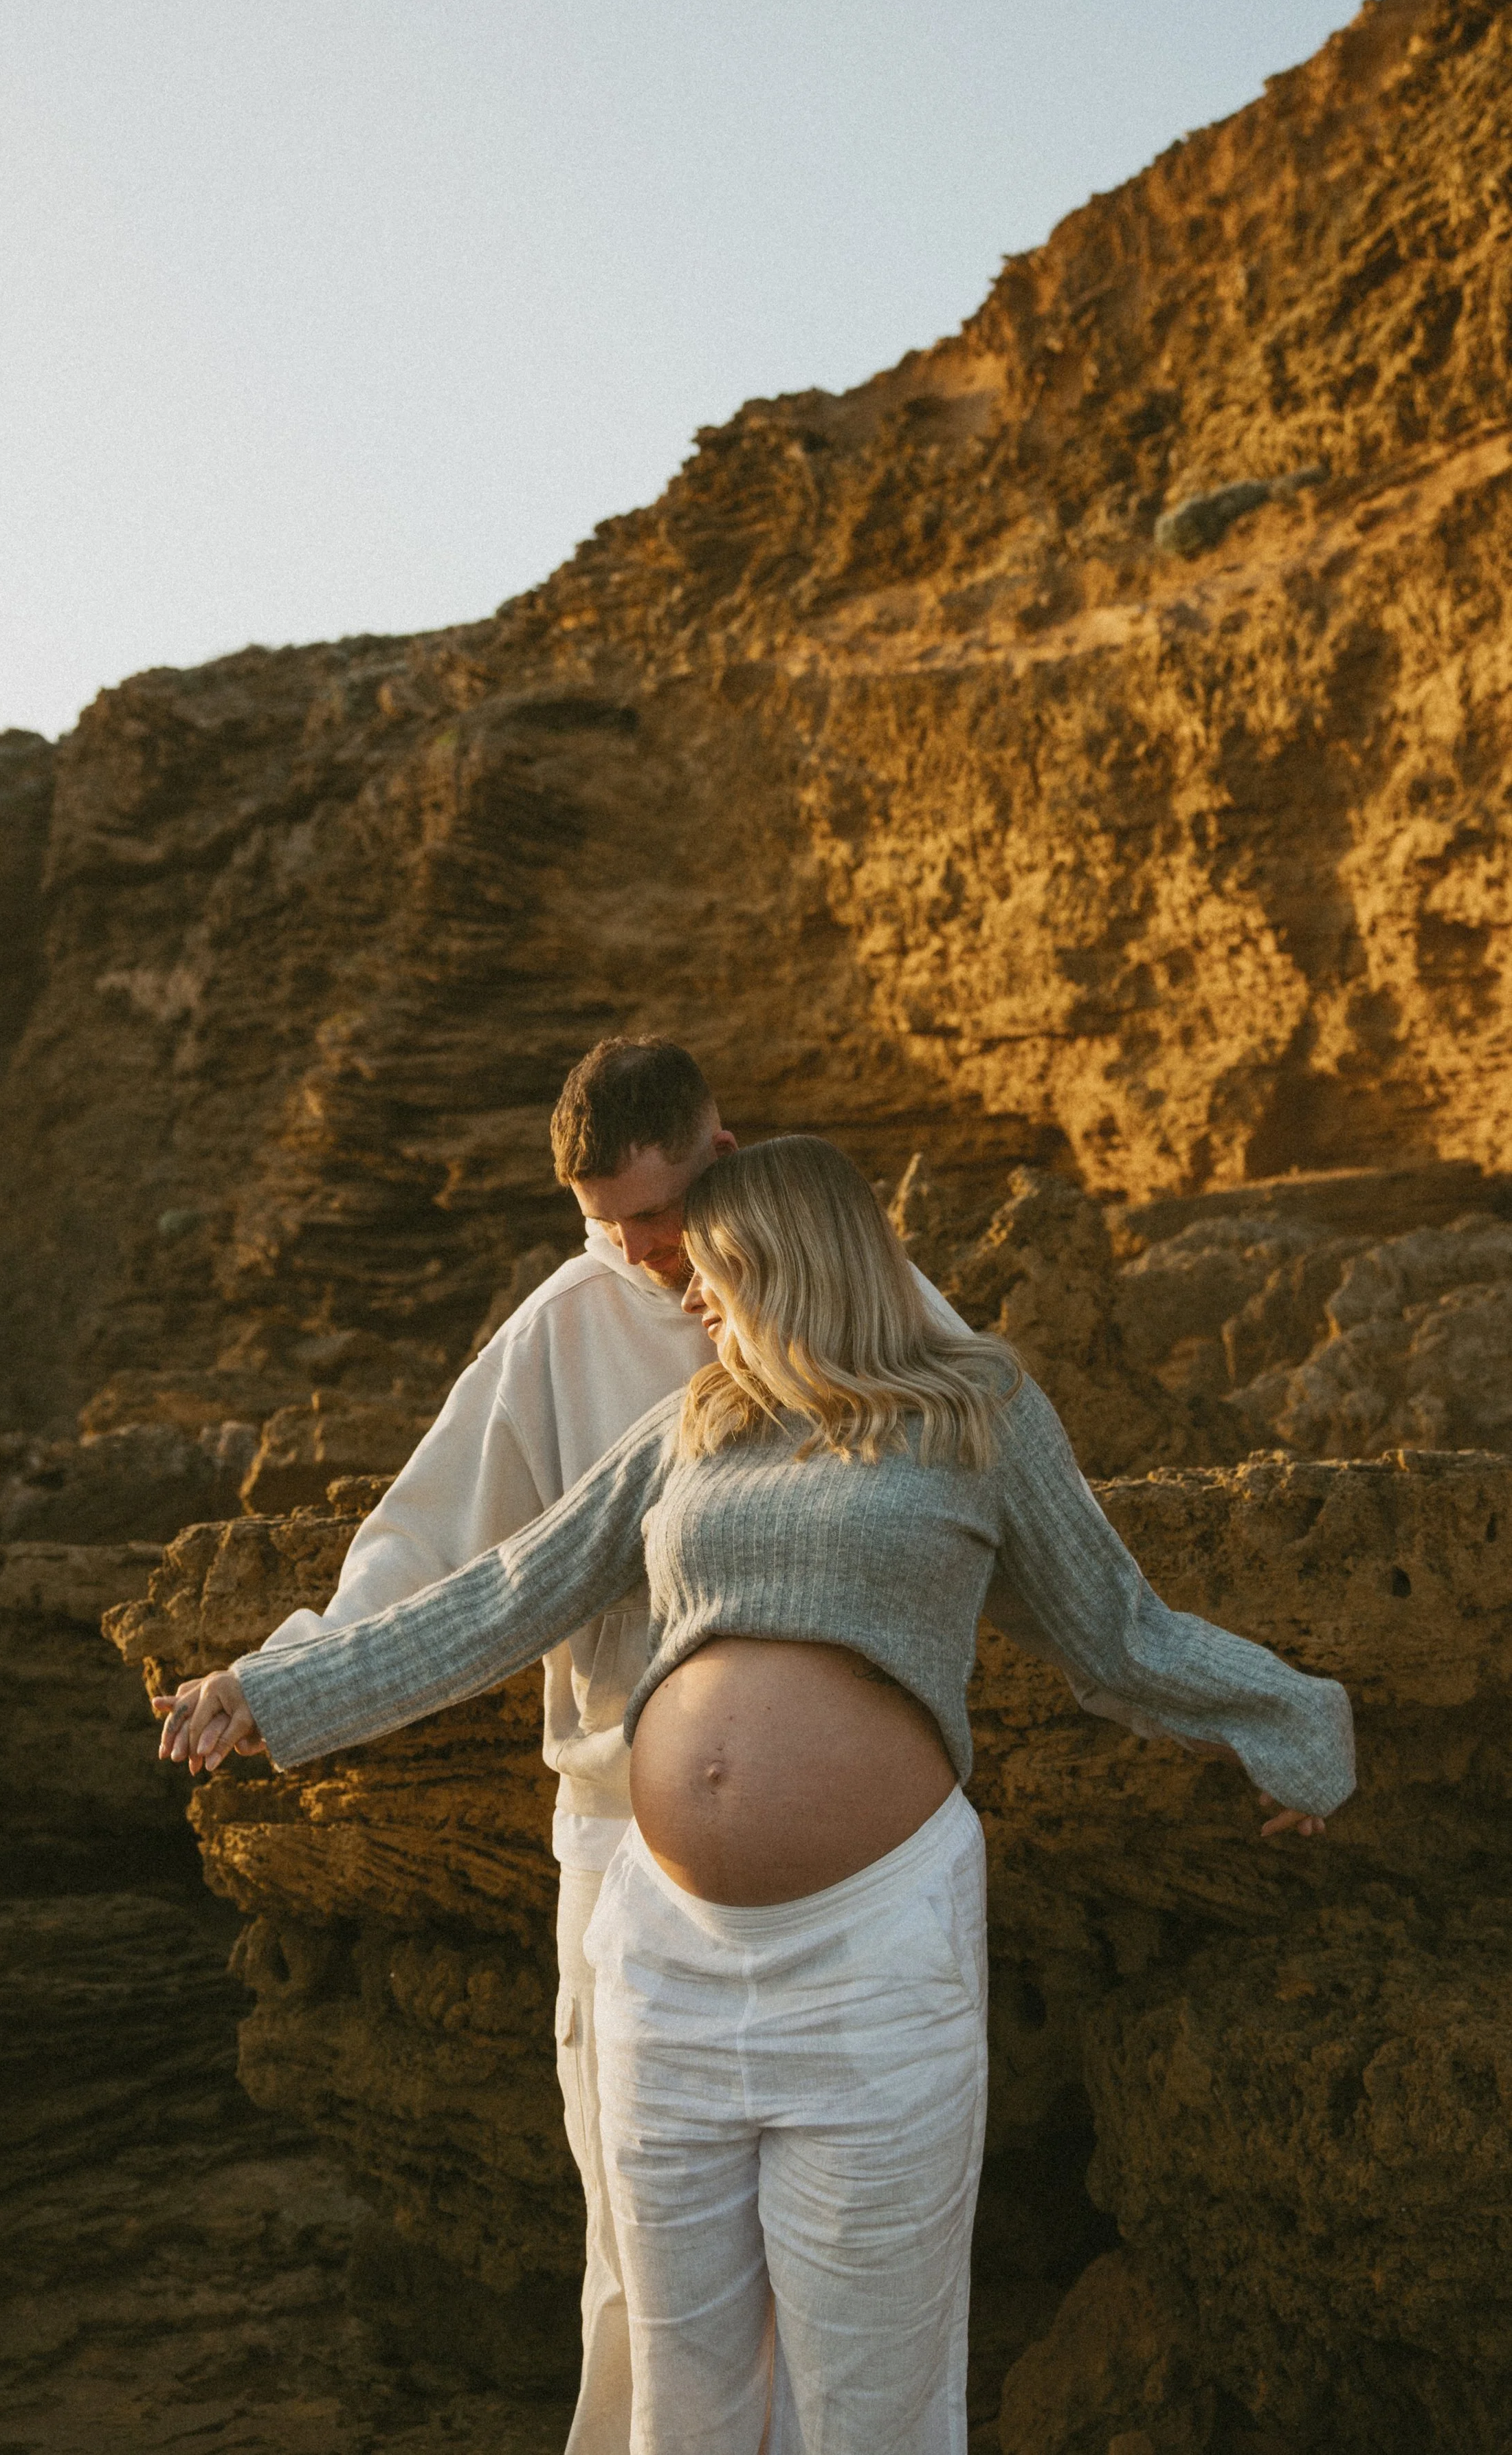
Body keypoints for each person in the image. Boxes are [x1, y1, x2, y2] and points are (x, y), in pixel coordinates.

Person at [166, 1136, 1354, 2455]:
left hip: (875, 1954)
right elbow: (504, 1596)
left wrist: (1293, 1730)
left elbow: (1117, 1629)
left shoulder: (975, 1409)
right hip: (665, 1956)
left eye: (712, 1267)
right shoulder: (691, 1424)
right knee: (687, 2398)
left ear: (791, 1259)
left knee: (872, 2396)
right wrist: (275, 1689)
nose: (687, 1301)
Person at [159, 1036, 974, 2454]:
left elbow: (1005, 1504)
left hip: (860, 1891)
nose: (638, 1256)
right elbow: (443, 1560)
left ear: (722, 1162)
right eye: (602, 1224)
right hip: (624, 1853)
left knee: (857, 2283)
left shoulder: (872, 1303)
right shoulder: (562, 1321)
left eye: (655, 1221)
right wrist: (278, 1679)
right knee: (642, 2269)